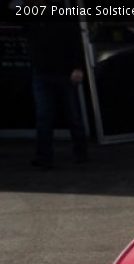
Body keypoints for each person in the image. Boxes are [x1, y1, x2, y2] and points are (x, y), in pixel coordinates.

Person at [26, 21, 88, 168]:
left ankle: (75, 152)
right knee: (48, 115)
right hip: (48, 71)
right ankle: (46, 156)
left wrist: (77, 67)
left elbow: (75, 41)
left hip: (58, 71)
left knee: (67, 114)